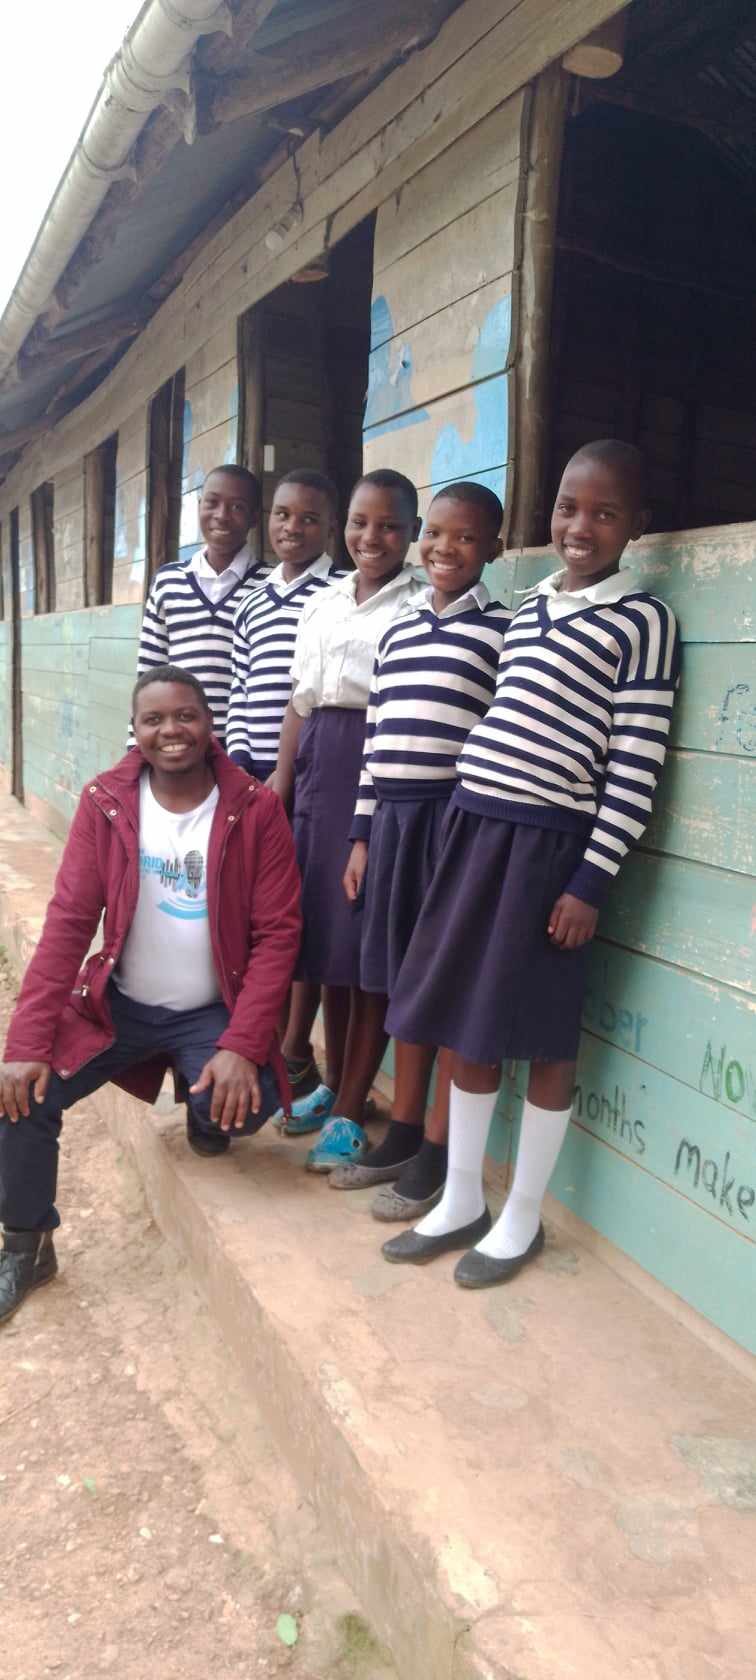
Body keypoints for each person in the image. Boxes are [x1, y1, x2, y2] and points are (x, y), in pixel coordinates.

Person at [382, 440, 680, 1285]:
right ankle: (461, 1199)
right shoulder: (530, 606)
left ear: (637, 525)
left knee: (544, 1034)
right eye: (567, 508)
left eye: (605, 513)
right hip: (475, 828)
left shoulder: (643, 622)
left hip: (551, 849)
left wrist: (590, 881)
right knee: (466, 1023)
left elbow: (636, 765)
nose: (581, 526)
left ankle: (521, 1216)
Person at [0, 666, 301, 1326]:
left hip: (210, 1011)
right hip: (120, 1008)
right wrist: (25, 1044)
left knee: (242, 1108)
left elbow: (279, 935)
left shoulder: (255, 808)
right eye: (154, 719)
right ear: (134, 730)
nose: (172, 730)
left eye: (185, 715)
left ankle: (201, 1101)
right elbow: (69, 921)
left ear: (209, 723)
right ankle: (26, 1246)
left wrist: (242, 1045)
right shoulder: (106, 802)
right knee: (22, 1097)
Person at [331, 482, 511, 1223]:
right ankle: (402, 1130)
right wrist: (361, 834)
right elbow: (374, 739)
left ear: (494, 547)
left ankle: (437, 1148)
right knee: (401, 982)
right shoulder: (398, 631)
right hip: (394, 823)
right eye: (435, 532)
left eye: (465, 537)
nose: (444, 547)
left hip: (453, 821)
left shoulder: (502, 631)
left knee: (444, 982)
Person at [271, 468, 426, 1171]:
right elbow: (300, 697)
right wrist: (281, 782)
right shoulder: (324, 602)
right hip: (319, 769)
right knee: (331, 944)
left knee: (366, 946)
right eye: (361, 522)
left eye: (390, 526)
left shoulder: (420, 602)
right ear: (344, 528)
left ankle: (350, 1109)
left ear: (412, 533)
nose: (373, 537)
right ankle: (337, 1086)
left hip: (379, 767)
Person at [225, 469, 344, 1110]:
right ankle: (261, 1044)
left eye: (308, 518)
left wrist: (286, 771)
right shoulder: (253, 600)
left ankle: (296, 1049)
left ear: (330, 528)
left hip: (309, 776)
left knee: (304, 912)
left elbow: (314, 695)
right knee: (258, 913)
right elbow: (242, 687)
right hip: (253, 780)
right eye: (281, 515)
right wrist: (240, 768)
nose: (292, 528)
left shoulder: (337, 593)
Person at [135, 465, 267, 744]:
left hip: (243, 750)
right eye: (212, 502)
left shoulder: (270, 585)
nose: (222, 515)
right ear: (198, 505)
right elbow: (149, 672)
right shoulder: (169, 581)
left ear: (255, 517)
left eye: (237, 507)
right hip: (178, 744)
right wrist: (138, 747)